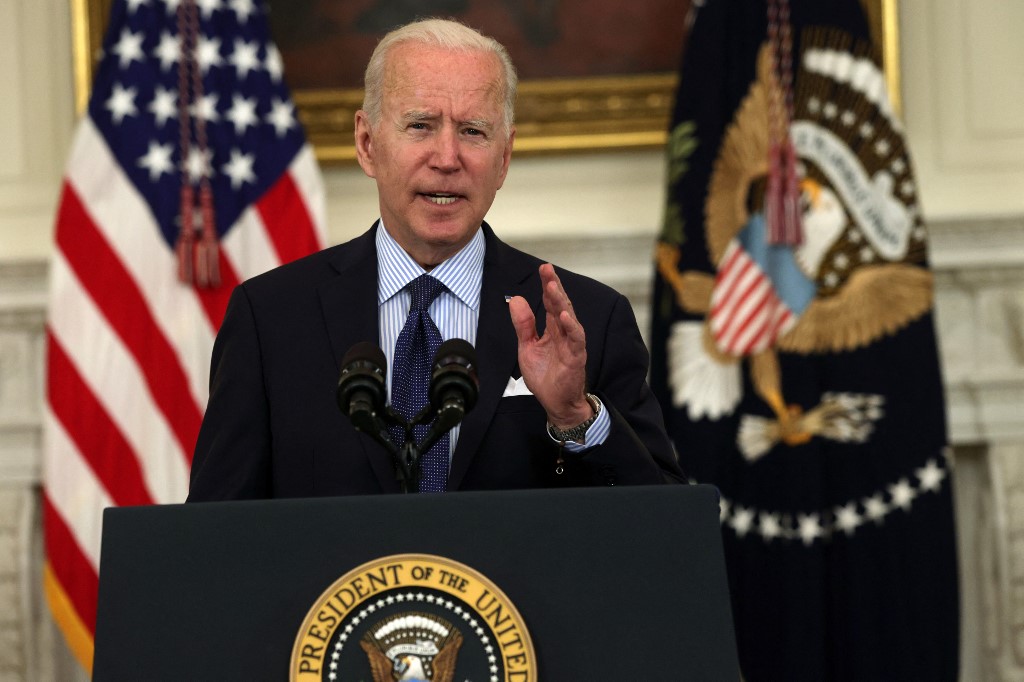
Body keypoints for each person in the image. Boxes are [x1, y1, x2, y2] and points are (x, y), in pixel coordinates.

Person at [187, 18, 683, 501]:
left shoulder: (587, 318)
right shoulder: (271, 318)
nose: (447, 158)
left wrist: (576, 417)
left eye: (472, 131)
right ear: (367, 144)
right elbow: (215, 539)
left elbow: (665, 530)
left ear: (504, 159)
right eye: (420, 125)